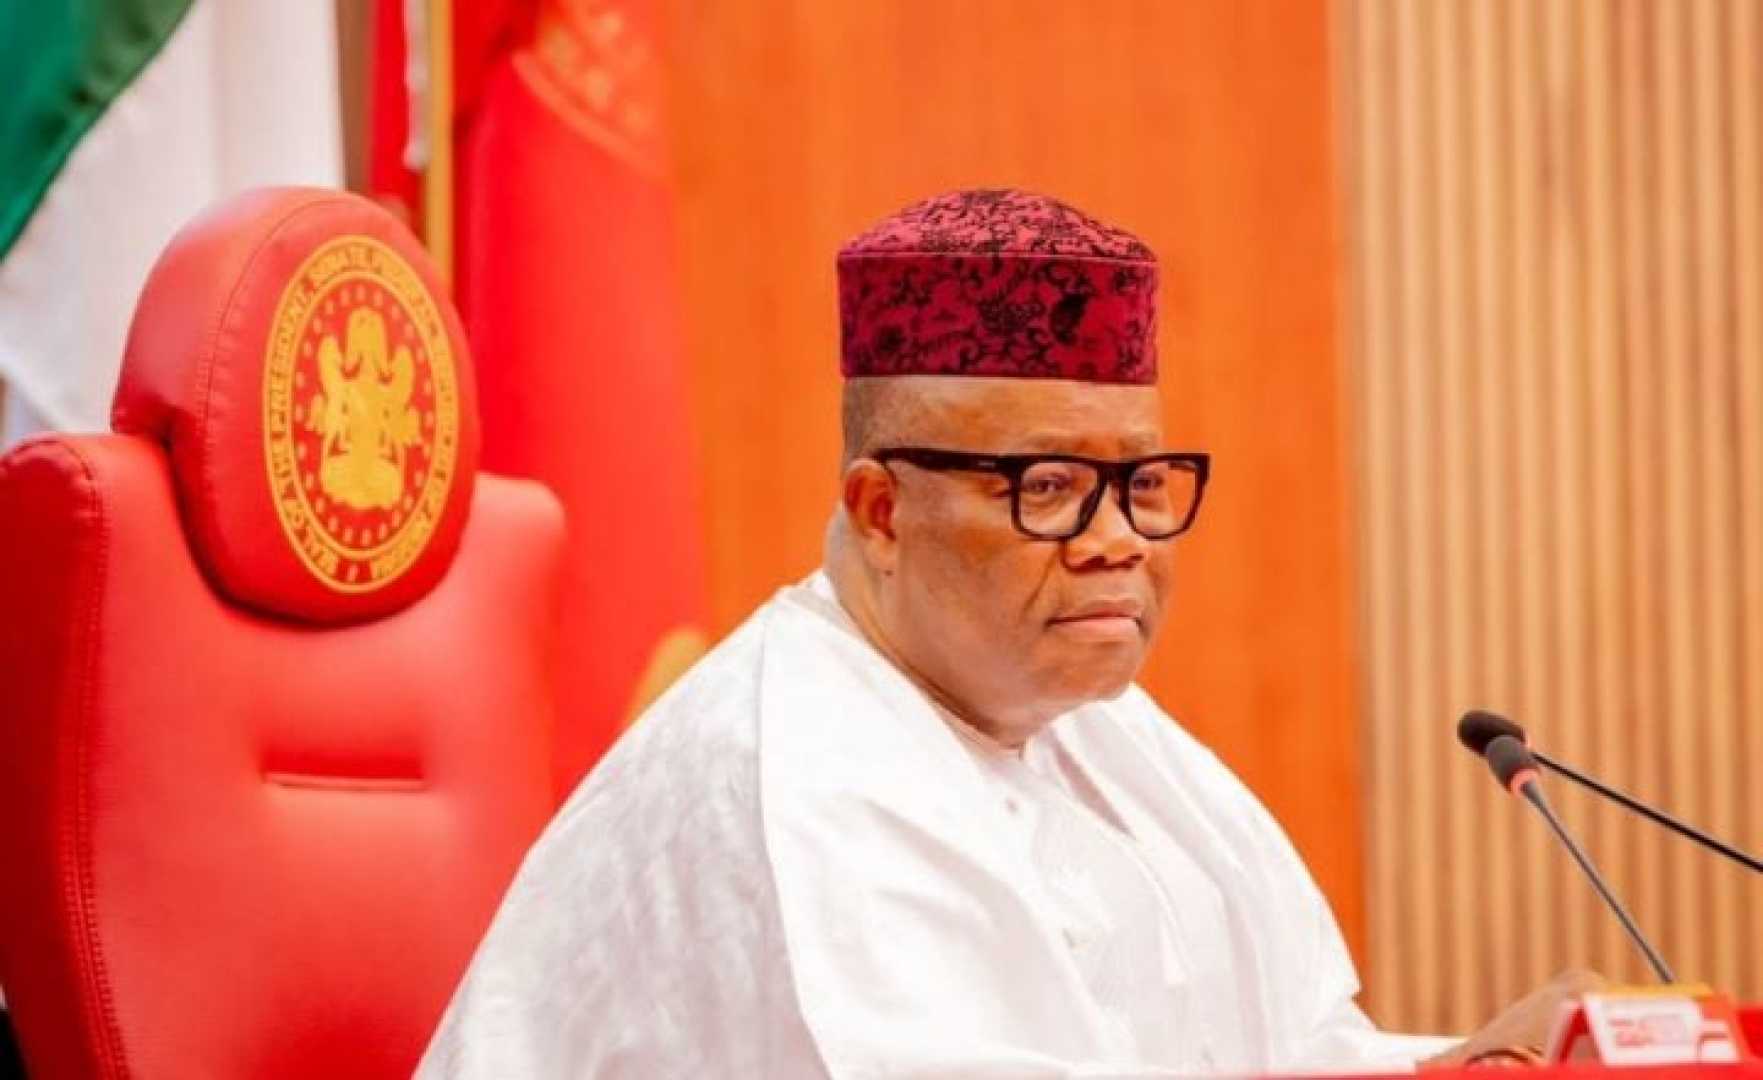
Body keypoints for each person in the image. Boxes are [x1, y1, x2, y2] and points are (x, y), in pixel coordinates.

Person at [418, 189, 1593, 1078]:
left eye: (1142, 484)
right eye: (1048, 488)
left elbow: (1295, 1050)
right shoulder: (803, 773)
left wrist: (1480, 1064)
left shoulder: (1100, 730)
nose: (1116, 540)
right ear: (882, 513)